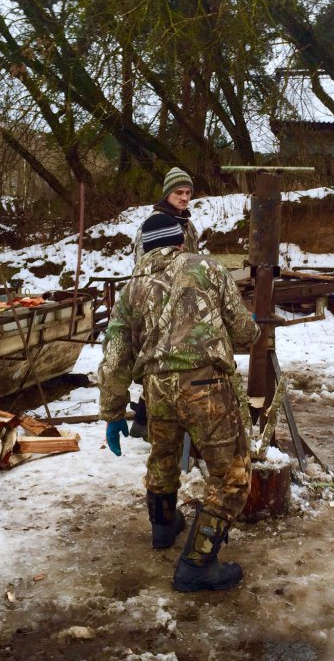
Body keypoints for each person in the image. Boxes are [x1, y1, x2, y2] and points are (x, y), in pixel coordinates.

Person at [98, 212, 260, 592]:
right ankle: (197, 564)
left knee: (163, 457)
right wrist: (250, 328)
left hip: (155, 387)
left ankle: (163, 527)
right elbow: (243, 331)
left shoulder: (131, 288)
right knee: (232, 476)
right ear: (180, 242)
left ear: (144, 249)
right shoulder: (207, 268)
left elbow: (116, 356)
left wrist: (112, 410)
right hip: (204, 384)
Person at [129, 167, 200, 440]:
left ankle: (147, 421)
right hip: (159, 300)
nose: (184, 197)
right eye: (178, 192)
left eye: (188, 193)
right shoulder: (153, 224)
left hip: (186, 299)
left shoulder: (188, 225)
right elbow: (143, 265)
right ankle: (150, 424)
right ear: (167, 193)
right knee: (158, 362)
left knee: (175, 365)